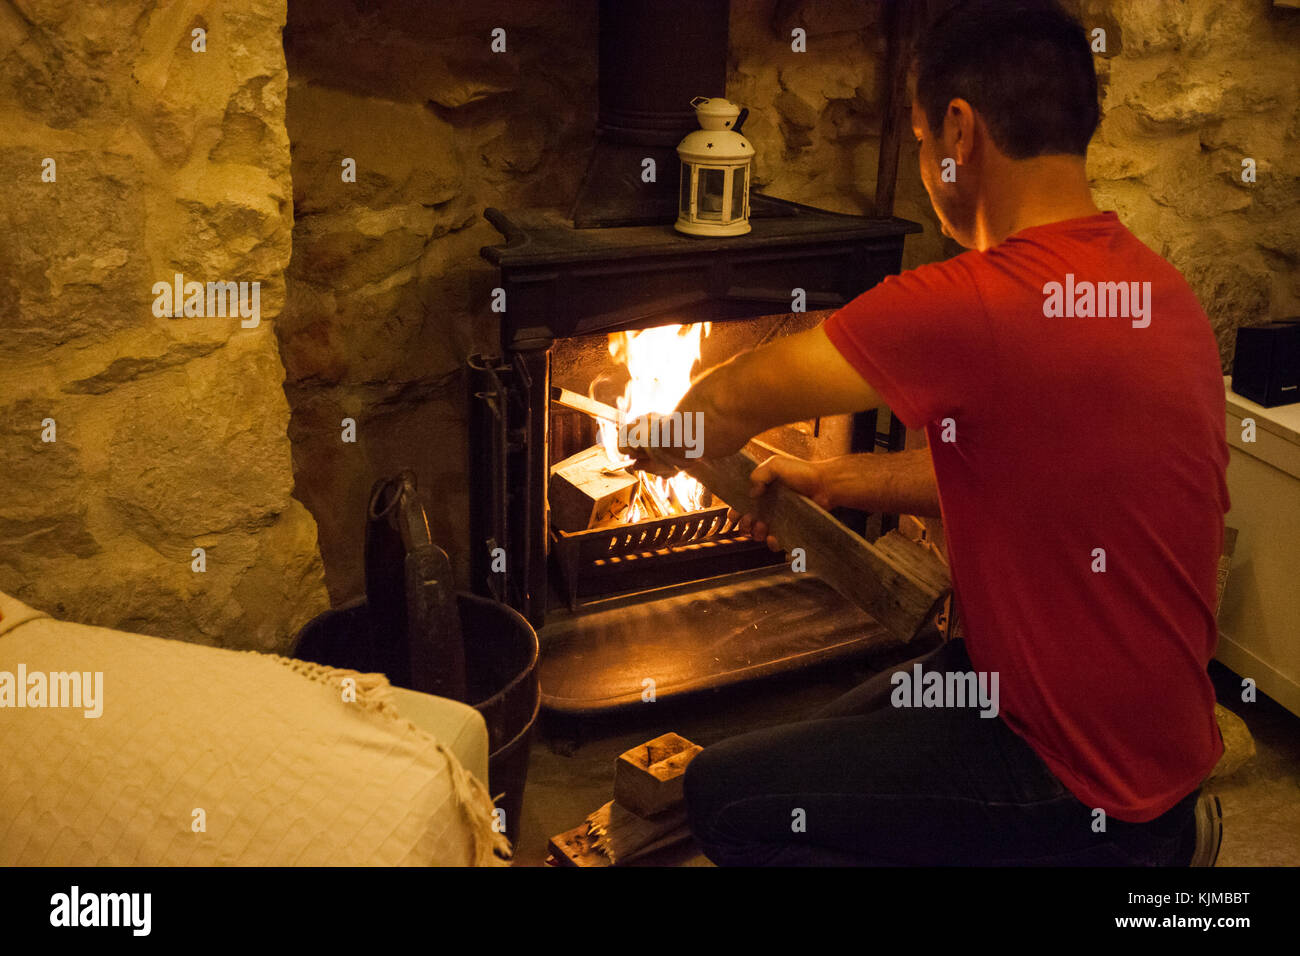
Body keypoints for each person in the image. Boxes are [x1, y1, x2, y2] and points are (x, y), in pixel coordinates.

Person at [622, 0, 1229, 865]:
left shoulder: (981, 300)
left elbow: (730, 401)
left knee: (725, 797)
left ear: (959, 130)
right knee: (803, 750)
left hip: (1071, 771)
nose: (921, 160)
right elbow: (1024, 477)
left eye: (915, 138)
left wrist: (658, 431)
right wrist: (831, 481)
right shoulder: (1155, 289)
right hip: (1144, 737)